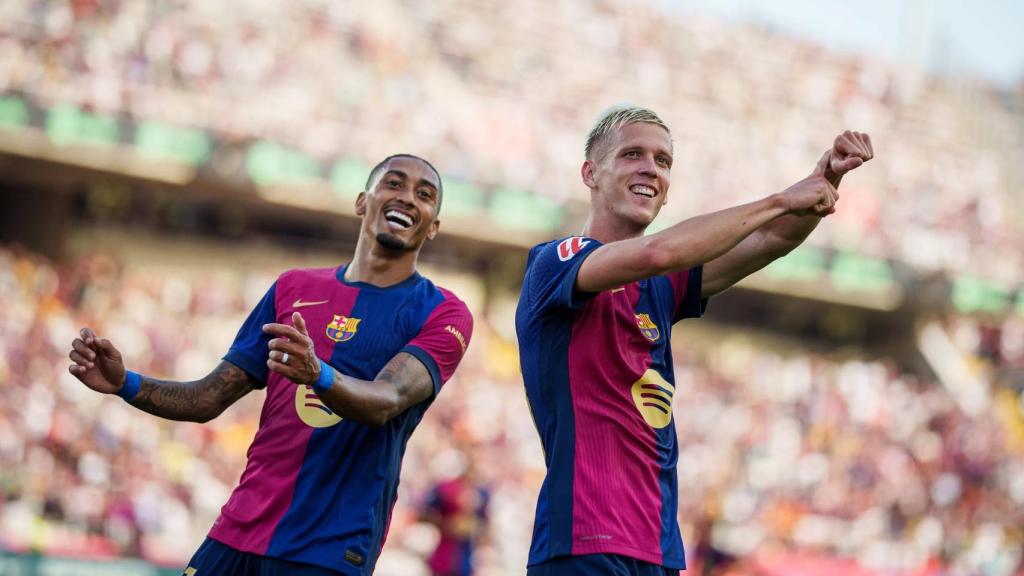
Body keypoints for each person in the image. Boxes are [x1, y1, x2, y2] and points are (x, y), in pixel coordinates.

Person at [67, 154, 474, 576]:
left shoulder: (443, 312)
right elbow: (208, 397)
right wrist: (125, 383)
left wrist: (318, 374)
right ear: (361, 201)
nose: (407, 198)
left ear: (434, 226)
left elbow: (386, 400)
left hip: (329, 550)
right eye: (394, 184)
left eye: (424, 195)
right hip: (237, 530)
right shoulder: (292, 287)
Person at [515, 105, 872, 576]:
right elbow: (658, 251)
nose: (651, 168)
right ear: (590, 173)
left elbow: (769, 241)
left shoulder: (661, 287)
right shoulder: (557, 262)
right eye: (632, 155)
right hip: (583, 539)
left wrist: (824, 180)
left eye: (663, 161)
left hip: (658, 550)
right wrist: (781, 198)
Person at [420, 452, 490, 576]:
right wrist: (446, 524)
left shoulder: (481, 491)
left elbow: (484, 523)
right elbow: (424, 515)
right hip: (444, 554)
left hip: (466, 555)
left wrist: (473, 526)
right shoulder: (444, 488)